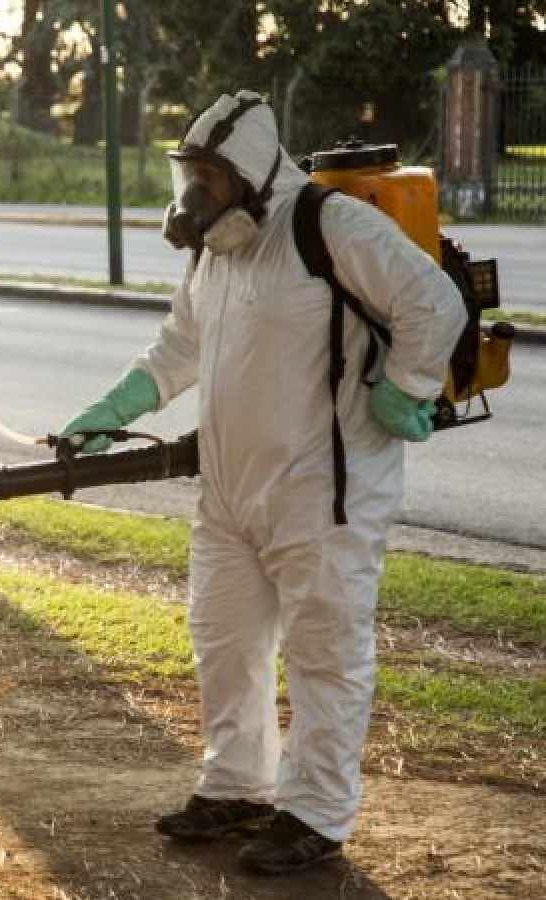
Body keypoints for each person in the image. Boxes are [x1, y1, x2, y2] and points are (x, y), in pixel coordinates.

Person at [58, 91, 465, 876]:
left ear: (250, 176)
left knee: (325, 654)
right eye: (190, 176)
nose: (195, 197)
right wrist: (114, 407)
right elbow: (179, 344)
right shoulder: (216, 247)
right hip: (231, 487)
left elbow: (433, 302)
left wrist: (407, 387)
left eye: (210, 179)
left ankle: (314, 813)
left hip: (326, 491)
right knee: (223, 641)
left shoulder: (329, 227)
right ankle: (238, 786)